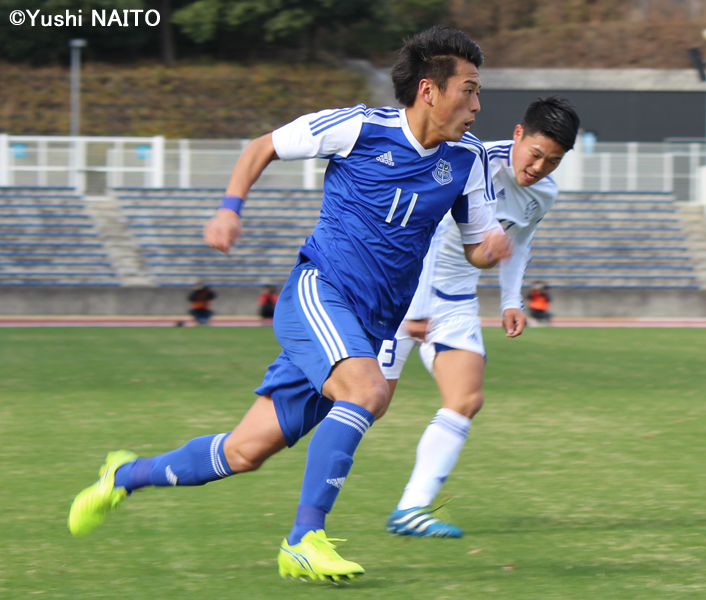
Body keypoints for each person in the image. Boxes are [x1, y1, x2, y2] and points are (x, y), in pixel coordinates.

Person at [68, 26, 512, 582]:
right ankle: (304, 539)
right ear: (428, 90)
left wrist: (489, 250)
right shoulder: (359, 127)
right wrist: (230, 208)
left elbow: (476, 247)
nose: (476, 104)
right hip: (320, 293)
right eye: (468, 89)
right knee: (369, 390)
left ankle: (124, 476)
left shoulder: (468, 161)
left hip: (370, 323)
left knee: (244, 452)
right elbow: (263, 147)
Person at [377, 97, 579, 537]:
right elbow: (423, 234)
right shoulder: (468, 161)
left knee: (466, 398)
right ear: (518, 135)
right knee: (366, 403)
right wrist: (415, 309)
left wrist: (511, 300)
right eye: (536, 154)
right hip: (403, 293)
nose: (540, 167)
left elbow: (518, 242)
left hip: (456, 301)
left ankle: (411, 509)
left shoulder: (544, 192)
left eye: (554, 161)